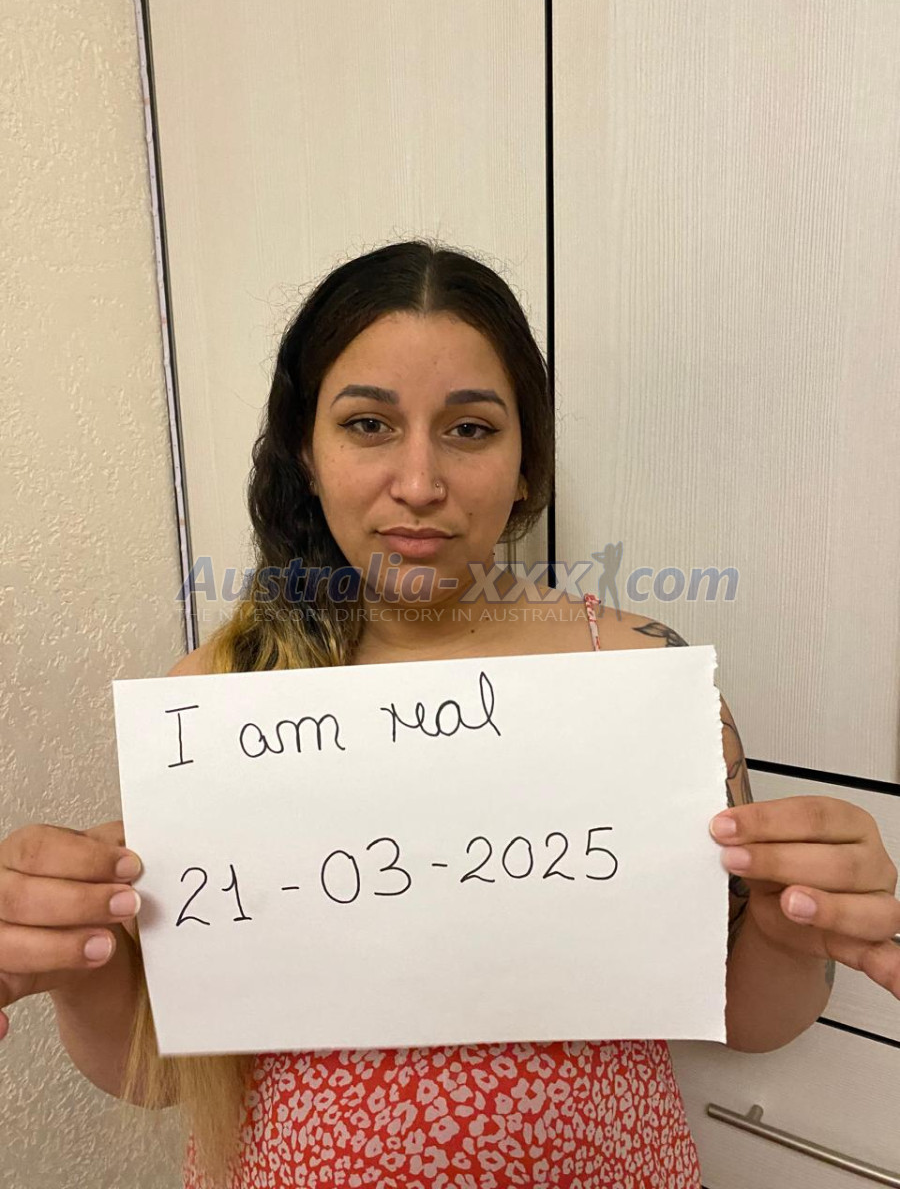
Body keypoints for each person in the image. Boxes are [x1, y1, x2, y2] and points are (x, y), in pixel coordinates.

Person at [2, 241, 897, 1189]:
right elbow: (155, 1079)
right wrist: (83, 961)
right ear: (307, 453)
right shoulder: (218, 697)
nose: (420, 482)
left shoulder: (640, 675)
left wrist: (790, 930)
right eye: (368, 425)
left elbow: (746, 1016)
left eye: (469, 429)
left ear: (525, 464)